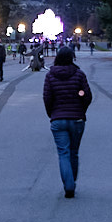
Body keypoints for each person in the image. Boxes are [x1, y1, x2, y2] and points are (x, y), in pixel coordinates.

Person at [41, 47, 92, 198]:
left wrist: (52, 114)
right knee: (74, 152)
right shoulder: (79, 74)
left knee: (63, 153)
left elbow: (47, 97)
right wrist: (81, 110)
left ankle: (68, 185)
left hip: (58, 119)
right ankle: (72, 180)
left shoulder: (50, 76)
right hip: (77, 119)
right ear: (72, 57)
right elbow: (87, 95)